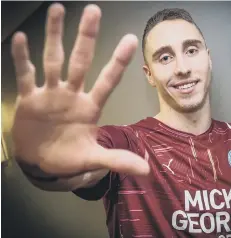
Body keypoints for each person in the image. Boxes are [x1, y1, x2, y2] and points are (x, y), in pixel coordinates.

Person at [11, 2, 231, 238]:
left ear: (208, 59)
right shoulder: (126, 143)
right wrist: (47, 159)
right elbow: (82, 164)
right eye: (165, 57)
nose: (182, 68)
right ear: (150, 75)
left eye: (191, 50)